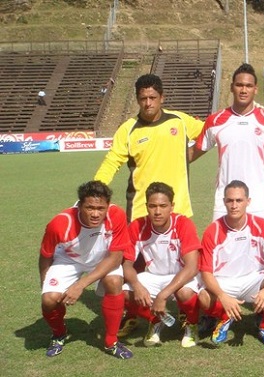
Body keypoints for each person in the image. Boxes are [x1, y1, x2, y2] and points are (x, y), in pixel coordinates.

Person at [39, 181, 133, 359]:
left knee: (114, 281)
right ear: (79, 205)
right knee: (49, 300)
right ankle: (59, 333)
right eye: (90, 208)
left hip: (103, 258)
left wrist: (80, 285)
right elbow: (45, 255)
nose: (96, 214)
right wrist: (45, 284)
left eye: (100, 208)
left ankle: (111, 342)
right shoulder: (60, 223)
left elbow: (115, 258)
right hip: (69, 258)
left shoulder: (117, 214)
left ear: (107, 206)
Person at [94, 73, 204, 222]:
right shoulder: (127, 129)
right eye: (143, 98)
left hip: (178, 209)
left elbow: (210, 132)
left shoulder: (180, 121)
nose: (148, 103)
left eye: (152, 98)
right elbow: (111, 162)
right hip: (141, 211)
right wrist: (96, 189)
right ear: (137, 100)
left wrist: (191, 154)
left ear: (162, 98)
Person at [191, 63, 264, 224]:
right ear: (231, 87)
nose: (243, 90)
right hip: (224, 201)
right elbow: (194, 152)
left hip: (259, 201)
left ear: (255, 89)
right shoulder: (215, 121)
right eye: (239, 85)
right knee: (220, 248)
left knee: (261, 249)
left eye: (248, 86)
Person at [198, 180, 264, 347]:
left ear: (248, 202)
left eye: (239, 200)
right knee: (203, 297)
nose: (234, 205)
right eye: (230, 200)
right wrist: (222, 296)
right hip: (224, 282)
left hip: (253, 279)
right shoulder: (213, 231)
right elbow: (206, 272)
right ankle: (224, 317)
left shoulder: (260, 225)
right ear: (224, 202)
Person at [120, 182, 202, 348]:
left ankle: (191, 324)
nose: (157, 211)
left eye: (163, 206)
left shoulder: (183, 224)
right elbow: (126, 265)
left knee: (185, 293)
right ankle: (156, 320)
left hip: (182, 274)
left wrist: (162, 295)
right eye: (153, 206)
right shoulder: (137, 226)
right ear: (146, 206)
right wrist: (137, 286)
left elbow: (192, 267)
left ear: (171, 206)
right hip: (154, 275)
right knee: (122, 293)